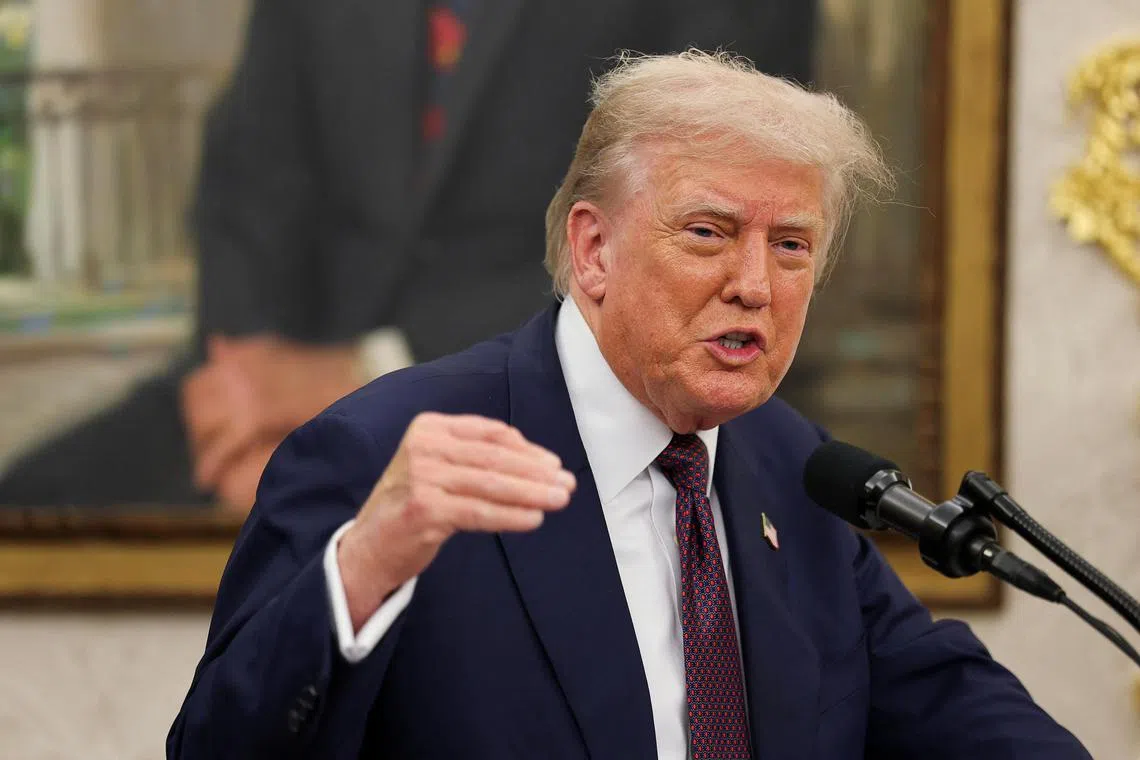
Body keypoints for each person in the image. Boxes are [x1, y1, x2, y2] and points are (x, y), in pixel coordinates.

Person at [167, 52, 1091, 759]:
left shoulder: (792, 467)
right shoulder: (380, 451)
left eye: (794, 247)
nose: (756, 285)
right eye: (708, 233)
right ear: (595, 249)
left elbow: (947, 705)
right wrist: (364, 566)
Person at [0, 0, 814, 512]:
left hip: (570, 394)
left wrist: (364, 368)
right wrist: (244, 399)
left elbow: (700, 229)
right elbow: (249, 182)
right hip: (282, 375)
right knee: (38, 501)